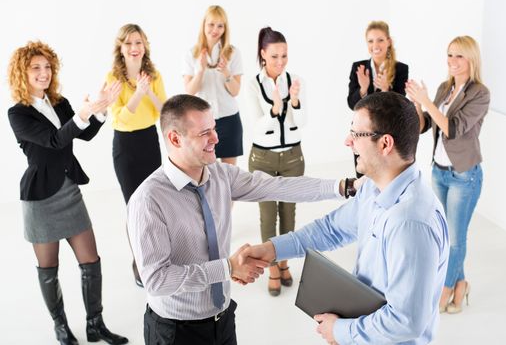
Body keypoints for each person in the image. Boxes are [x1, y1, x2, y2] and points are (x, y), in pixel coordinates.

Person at [127, 94, 346, 345]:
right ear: (175, 139)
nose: (216, 139)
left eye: (215, 129)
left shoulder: (222, 175)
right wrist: (227, 268)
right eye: (205, 133)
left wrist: (342, 187)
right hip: (175, 333)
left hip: (222, 320)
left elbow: (278, 186)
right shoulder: (148, 199)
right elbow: (156, 280)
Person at [239, 92, 450, 345]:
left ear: (385, 144)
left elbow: (406, 321)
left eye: (356, 134)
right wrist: (272, 249)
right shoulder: (373, 187)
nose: (347, 142)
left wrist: (340, 330)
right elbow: (330, 230)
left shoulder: (410, 222)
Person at [7, 41, 127, 345]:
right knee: (49, 270)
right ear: (23, 72)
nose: (43, 72)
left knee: (91, 261)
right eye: (36, 67)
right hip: (40, 198)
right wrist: (85, 113)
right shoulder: (17, 114)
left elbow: (83, 133)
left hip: (68, 189)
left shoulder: (59, 102)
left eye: (47, 67)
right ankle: (60, 327)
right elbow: (55, 140)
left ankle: (95, 324)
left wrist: (100, 110)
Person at [406, 35, 489, 314]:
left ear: (471, 60)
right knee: (445, 236)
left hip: (464, 176)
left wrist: (427, 101)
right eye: (450, 55)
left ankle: (444, 290)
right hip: (439, 173)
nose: (452, 61)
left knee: (455, 240)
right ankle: (462, 284)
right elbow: (423, 127)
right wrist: (418, 105)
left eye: (459, 56)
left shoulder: (480, 93)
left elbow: (454, 128)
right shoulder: (444, 88)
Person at [245, 27, 305, 296]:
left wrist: (294, 101)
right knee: (268, 216)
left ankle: (284, 261)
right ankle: (270, 267)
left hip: (293, 156)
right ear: (263, 55)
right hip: (263, 159)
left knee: (289, 214)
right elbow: (257, 127)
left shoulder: (293, 79)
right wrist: (274, 110)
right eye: (274, 56)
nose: (280, 62)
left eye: (284, 56)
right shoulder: (253, 84)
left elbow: (301, 123)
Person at [106, 23, 167, 287]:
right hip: (125, 146)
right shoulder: (113, 78)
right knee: (134, 208)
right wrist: (137, 94)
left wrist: (148, 92)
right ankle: (139, 260)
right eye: (129, 43)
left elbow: (164, 111)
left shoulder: (153, 75)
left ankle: (156, 256)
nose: (134, 48)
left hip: (149, 141)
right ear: (121, 47)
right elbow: (118, 117)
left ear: (145, 46)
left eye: (138, 42)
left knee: (153, 205)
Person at [347, 20, 408, 178]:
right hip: (362, 133)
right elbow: (351, 104)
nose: (376, 45)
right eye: (371, 41)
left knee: (387, 179)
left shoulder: (401, 69)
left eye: (380, 39)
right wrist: (363, 89)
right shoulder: (358, 67)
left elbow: (401, 108)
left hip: (389, 135)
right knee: (363, 181)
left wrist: (387, 89)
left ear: (388, 41)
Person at [183, 5, 243, 166]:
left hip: (229, 119)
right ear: (204, 25)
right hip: (204, 122)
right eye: (211, 24)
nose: (215, 29)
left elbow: (235, 91)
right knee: (206, 170)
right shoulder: (192, 54)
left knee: (230, 173)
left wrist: (226, 73)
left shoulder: (233, 53)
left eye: (220, 25)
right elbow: (189, 91)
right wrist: (200, 71)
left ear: (225, 28)